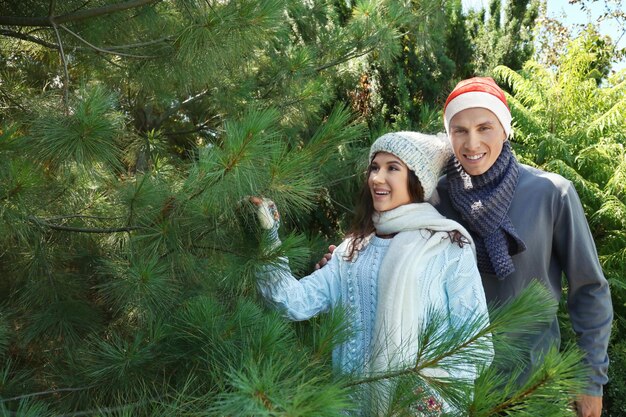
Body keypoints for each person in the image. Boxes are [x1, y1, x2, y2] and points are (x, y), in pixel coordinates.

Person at [317, 77, 613, 417]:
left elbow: (589, 289)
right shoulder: (432, 198)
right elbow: (385, 251)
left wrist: (591, 379)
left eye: (484, 127)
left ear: (505, 129)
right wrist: (344, 264)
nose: (472, 143)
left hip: (530, 386)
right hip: (441, 392)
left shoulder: (552, 194)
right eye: (459, 130)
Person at [252, 132, 492, 415]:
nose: (377, 178)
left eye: (392, 168)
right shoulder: (351, 251)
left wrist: (425, 400)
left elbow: (475, 345)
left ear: (417, 180)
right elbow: (291, 302)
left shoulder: (447, 245)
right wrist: (268, 237)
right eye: (374, 167)